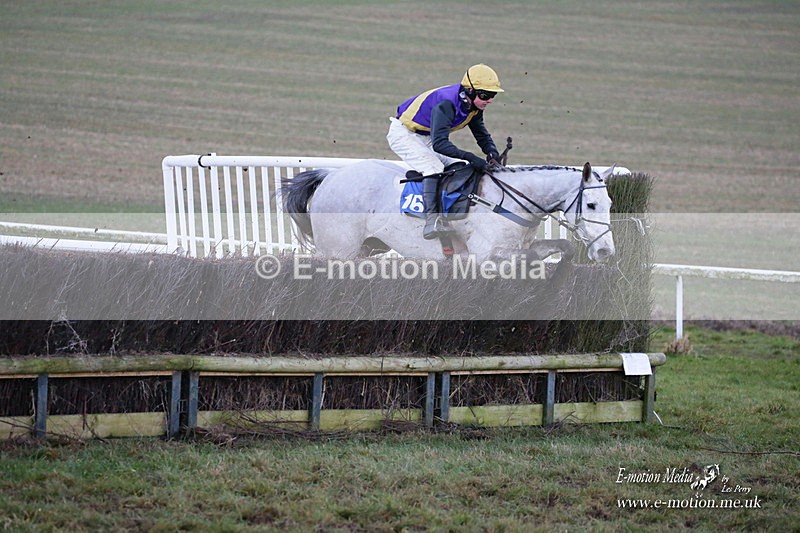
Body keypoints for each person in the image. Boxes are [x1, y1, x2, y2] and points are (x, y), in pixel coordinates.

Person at [387, 64, 505, 240]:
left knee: (459, 166)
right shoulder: (446, 103)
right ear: (470, 91)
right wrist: (472, 157)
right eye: (485, 95)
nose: (489, 100)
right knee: (433, 167)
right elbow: (440, 145)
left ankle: (449, 212)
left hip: (424, 137)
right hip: (404, 134)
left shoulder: (473, 106)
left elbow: (480, 133)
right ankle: (431, 221)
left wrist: (492, 152)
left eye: (492, 95)